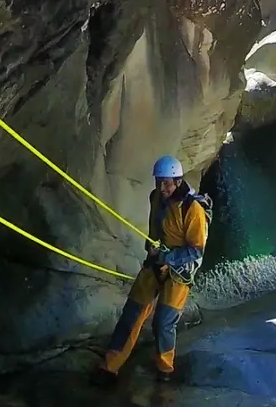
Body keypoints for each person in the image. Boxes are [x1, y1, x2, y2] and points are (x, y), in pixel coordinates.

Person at [93, 155, 211, 385]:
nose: (162, 187)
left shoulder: (192, 209)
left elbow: (196, 250)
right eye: (159, 181)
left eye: (167, 182)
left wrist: (166, 256)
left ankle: (165, 369)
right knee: (131, 314)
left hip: (180, 271)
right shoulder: (155, 198)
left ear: (178, 181)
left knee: (163, 322)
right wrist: (152, 246)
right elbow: (156, 230)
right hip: (155, 264)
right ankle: (109, 367)